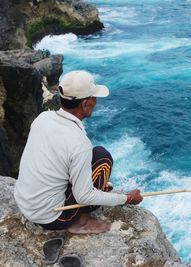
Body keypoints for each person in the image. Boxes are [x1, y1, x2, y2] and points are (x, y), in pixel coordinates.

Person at [14, 70, 143, 234]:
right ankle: (81, 220)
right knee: (102, 158)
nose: (96, 102)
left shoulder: (42, 118)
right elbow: (84, 196)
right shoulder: (79, 143)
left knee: (91, 157)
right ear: (85, 103)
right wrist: (127, 199)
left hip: (25, 203)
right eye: (94, 98)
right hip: (51, 217)